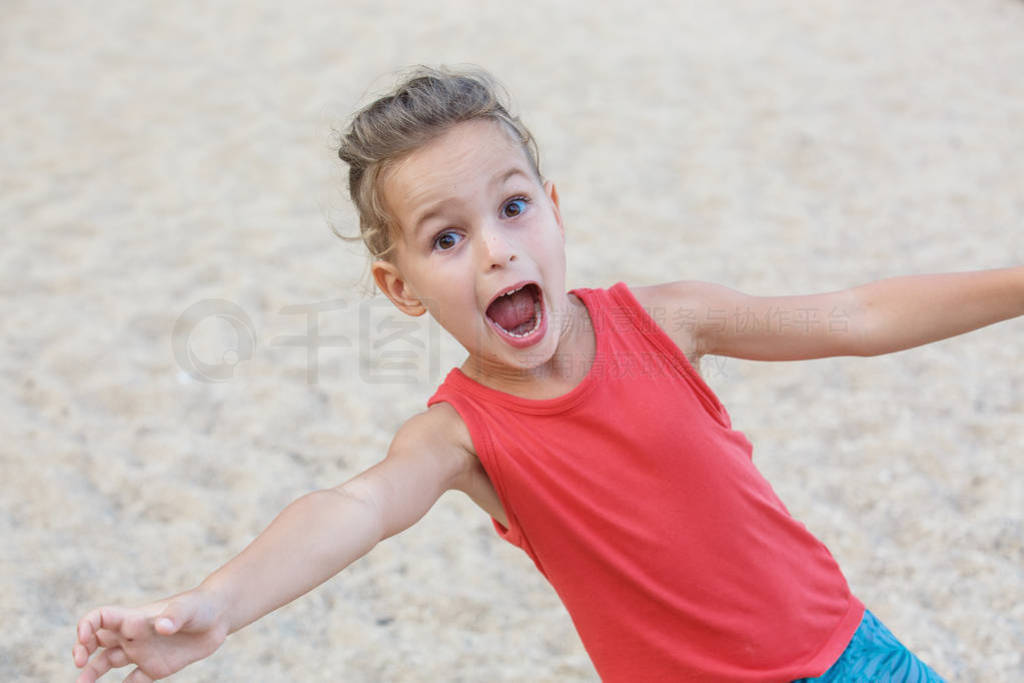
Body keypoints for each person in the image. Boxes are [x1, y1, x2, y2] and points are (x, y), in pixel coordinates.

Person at [73, 66, 1022, 683]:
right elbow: (351, 507)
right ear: (399, 286)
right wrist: (216, 603)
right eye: (448, 237)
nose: (495, 250)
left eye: (513, 207)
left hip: (849, 647)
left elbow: (853, 317)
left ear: (554, 210)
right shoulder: (458, 434)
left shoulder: (666, 318)